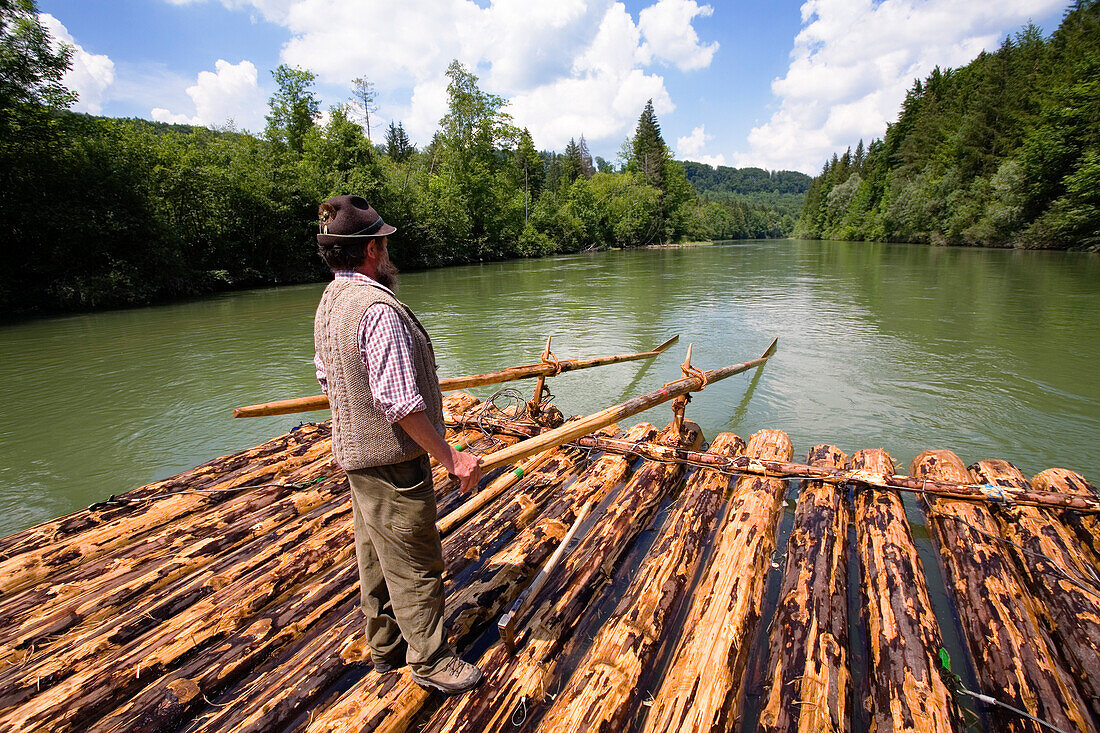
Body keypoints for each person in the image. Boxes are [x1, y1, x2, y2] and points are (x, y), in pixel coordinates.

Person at [312, 194, 483, 694]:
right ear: (369, 250)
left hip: (357, 458)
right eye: (383, 242)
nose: (388, 251)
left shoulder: (330, 301)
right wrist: (451, 456)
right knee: (414, 559)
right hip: (391, 461)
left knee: (376, 555)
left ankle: (386, 648)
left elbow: (328, 377)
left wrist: (355, 420)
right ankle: (430, 660)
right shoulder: (378, 310)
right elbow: (401, 403)